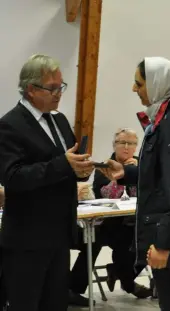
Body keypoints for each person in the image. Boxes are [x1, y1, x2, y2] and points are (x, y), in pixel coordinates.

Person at [97, 57, 170, 311]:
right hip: (165, 228)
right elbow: (158, 175)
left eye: (138, 83)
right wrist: (125, 173)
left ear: (158, 84)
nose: (133, 89)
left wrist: (162, 244)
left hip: (167, 231)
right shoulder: (169, 118)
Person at [0, 54, 94, 311]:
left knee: (55, 304)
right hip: (27, 239)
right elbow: (13, 177)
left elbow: (68, 164)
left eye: (61, 87)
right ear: (31, 89)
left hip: (59, 233)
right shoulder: (9, 125)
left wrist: (82, 170)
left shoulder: (59, 120)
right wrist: (64, 164)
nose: (58, 93)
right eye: (52, 88)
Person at [69, 128, 151, 307]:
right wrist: (121, 176)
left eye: (131, 143)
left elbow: (148, 193)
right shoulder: (104, 167)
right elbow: (103, 195)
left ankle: (121, 274)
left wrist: (134, 172)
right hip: (109, 223)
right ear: (115, 145)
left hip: (134, 223)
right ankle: (74, 289)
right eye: (122, 143)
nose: (127, 147)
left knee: (144, 241)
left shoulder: (142, 165)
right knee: (94, 241)